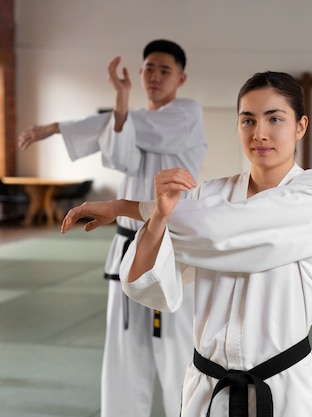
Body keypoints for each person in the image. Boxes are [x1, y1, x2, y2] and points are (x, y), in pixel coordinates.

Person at [61, 71, 312, 417]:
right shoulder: (209, 194)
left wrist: (125, 208)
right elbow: (149, 286)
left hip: (282, 390)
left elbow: (220, 231)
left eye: (275, 118)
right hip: (208, 392)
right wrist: (158, 217)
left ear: (300, 126)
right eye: (247, 120)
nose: (260, 133)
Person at [18, 39, 207, 417]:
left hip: (172, 249)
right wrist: (120, 100)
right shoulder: (129, 122)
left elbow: (127, 128)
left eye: (164, 70)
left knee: (178, 350)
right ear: (139, 73)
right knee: (124, 350)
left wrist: (54, 127)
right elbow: (119, 154)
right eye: (148, 68)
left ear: (181, 78)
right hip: (127, 246)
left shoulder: (187, 114)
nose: (154, 76)